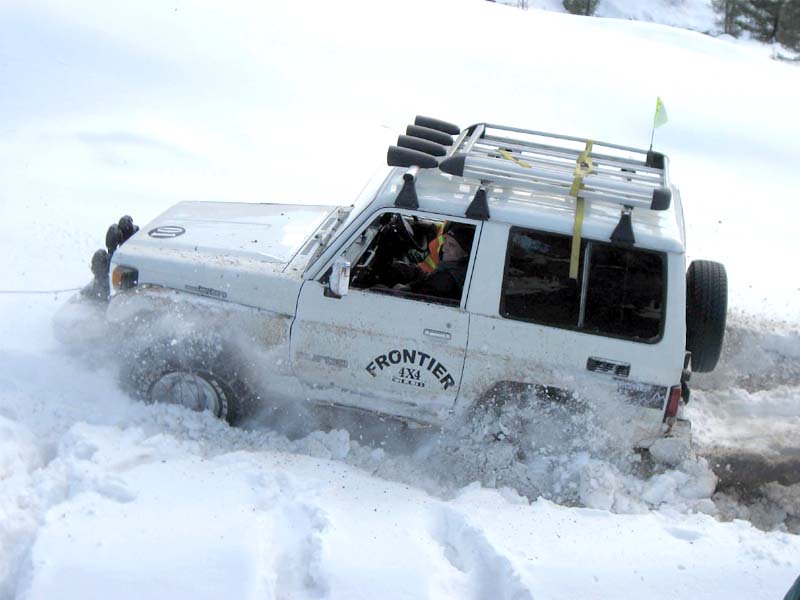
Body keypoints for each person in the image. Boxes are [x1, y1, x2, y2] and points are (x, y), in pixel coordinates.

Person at [397, 223, 475, 302]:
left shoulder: (445, 280)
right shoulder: (454, 266)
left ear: (465, 253)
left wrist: (403, 292)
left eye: (452, 245)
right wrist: (411, 286)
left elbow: (417, 301)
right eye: (445, 241)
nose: (444, 248)